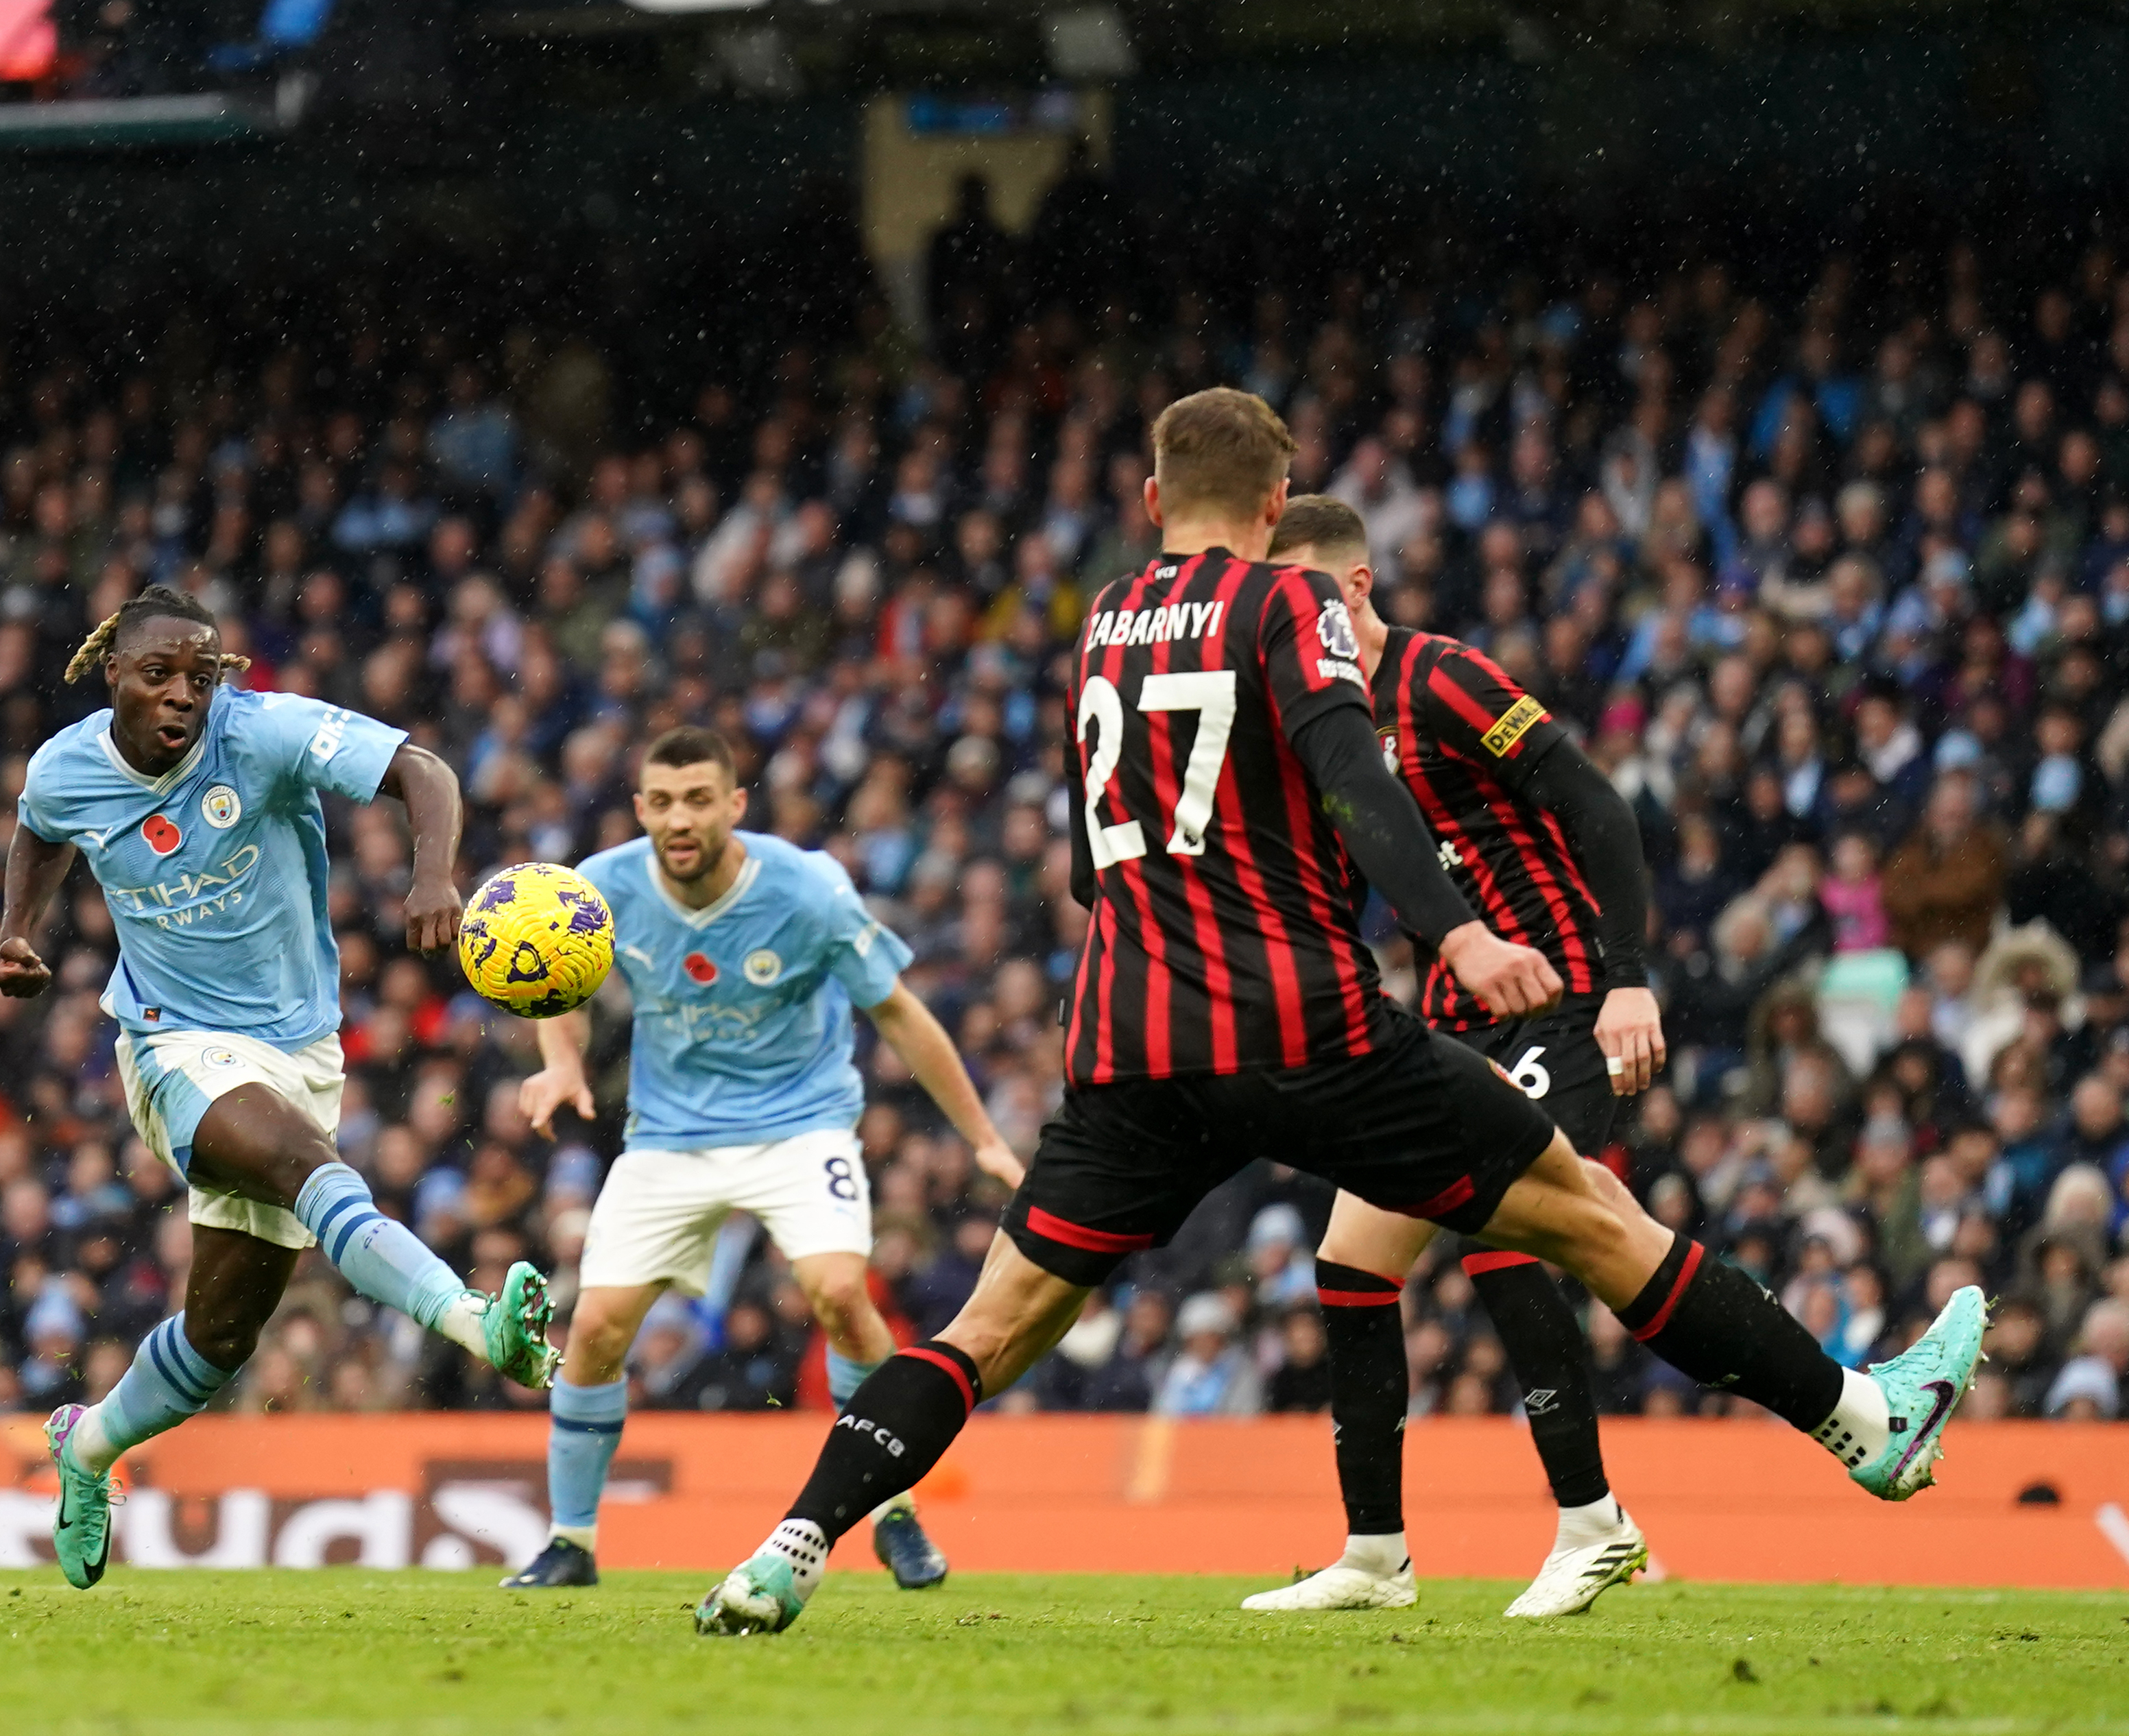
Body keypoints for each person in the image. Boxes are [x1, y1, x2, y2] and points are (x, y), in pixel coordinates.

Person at [691, 389, 1991, 1637]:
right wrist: (1462, 933)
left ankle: (786, 1547)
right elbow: (1354, 777)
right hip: (1300, 1022)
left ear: (1150, 498)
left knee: (986, 1326)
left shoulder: (1097, 620)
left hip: (1130, 1039)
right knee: (1591, 1219)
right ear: (1274, 501)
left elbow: (1091, 867)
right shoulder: (1287, 602)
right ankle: (1862, 1426)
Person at [0, 583, 558, 1592]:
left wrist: (436, 873)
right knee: (310, 1164)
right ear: (111, 672)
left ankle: (84, 1449)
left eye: (198, 678)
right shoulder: (66, 766)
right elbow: (39, 827)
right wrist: (20, 929)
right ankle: (481, 1326)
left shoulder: (263, 734)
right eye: (158, 674)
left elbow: (421, 769)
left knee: (217, 1342)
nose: (181, 696)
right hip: (173, 1046)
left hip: (301, 1051)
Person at [1241, 495, 1659, 1617]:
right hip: (1451, 1019)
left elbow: (1595, 806)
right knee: (1349, 1263)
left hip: (1564, 997)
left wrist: (1625, 976)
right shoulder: (1312, 716)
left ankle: (1589, 1522)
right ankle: (1373, 1553)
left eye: (1297, 596)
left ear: (1355, 587)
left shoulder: (1443, 680)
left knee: (1501, 1226)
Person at [497, 727, 1024, 1591]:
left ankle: (895, 1516)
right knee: (593, 1329)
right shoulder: (601, 886)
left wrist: (984, 1138)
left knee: (840, 1293)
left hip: (801, 1123)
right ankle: (572, 1543)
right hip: (669, 1135)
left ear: (735, 805)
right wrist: (560, 1062)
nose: (680, 818)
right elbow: (560, 985)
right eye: (662, 802)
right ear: (640, 809)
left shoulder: (807, 889)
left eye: (700, 799)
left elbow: (899, 1014)